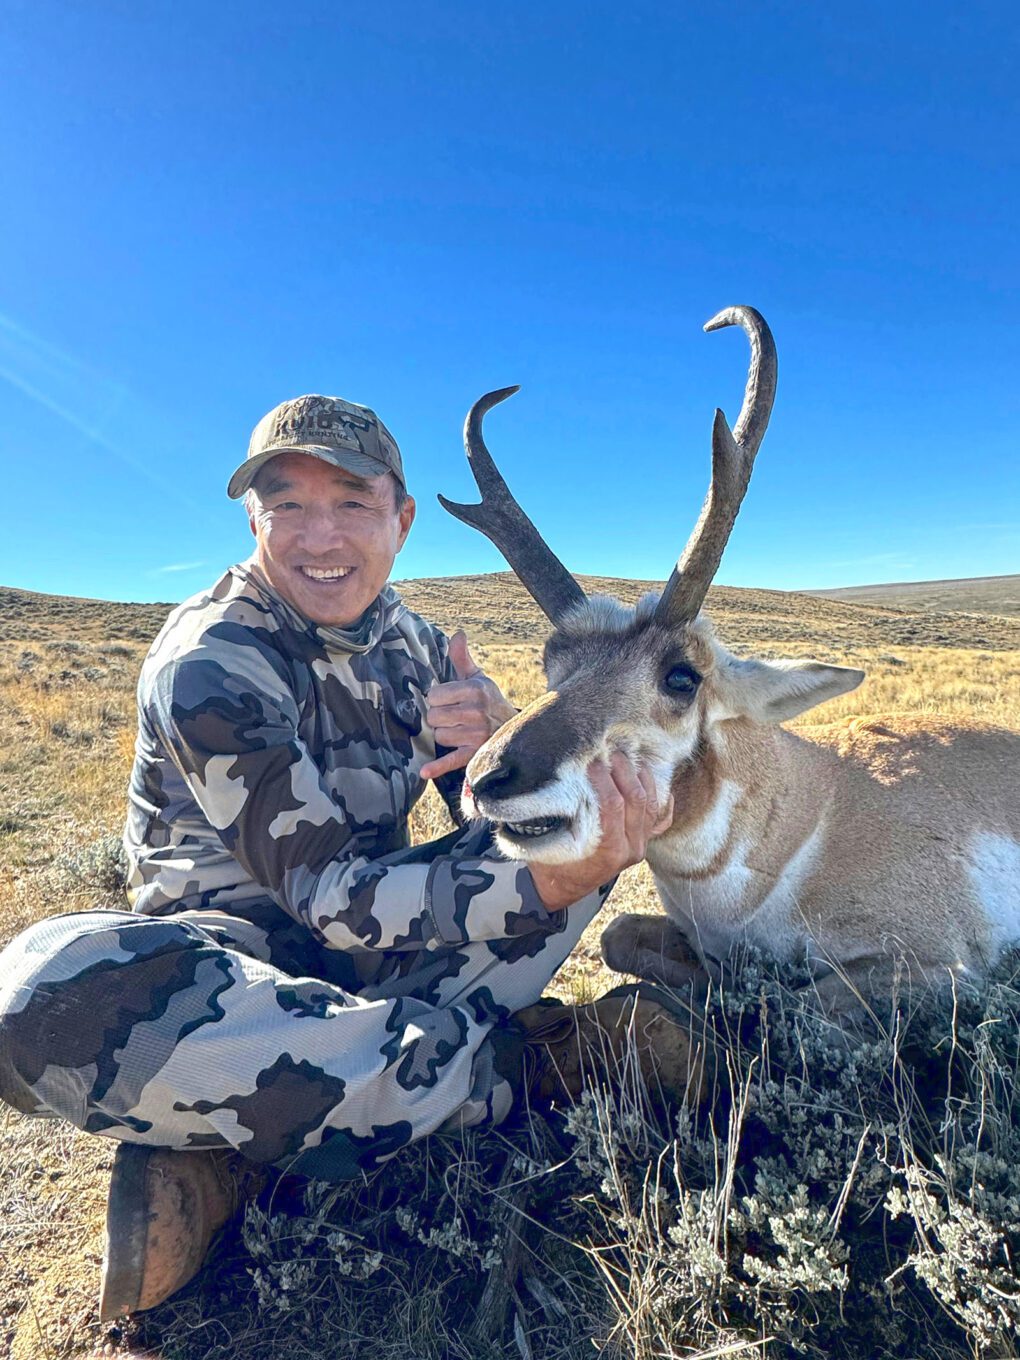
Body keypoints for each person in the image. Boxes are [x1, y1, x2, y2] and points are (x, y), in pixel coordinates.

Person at [0, 394, 686, 1321]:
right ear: (254, 519)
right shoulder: (211, 661)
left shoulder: (413, 645)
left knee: (563, 834)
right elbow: (326, 893)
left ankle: (247, 1134)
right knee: (38, 997)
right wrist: (547, 874)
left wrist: (486, 757)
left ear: (402, 521)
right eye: (286, 504)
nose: (319, 535)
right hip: (228, 976)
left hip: (372, 953)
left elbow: (464, 824)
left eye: (353, 502)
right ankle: (528, 1070)